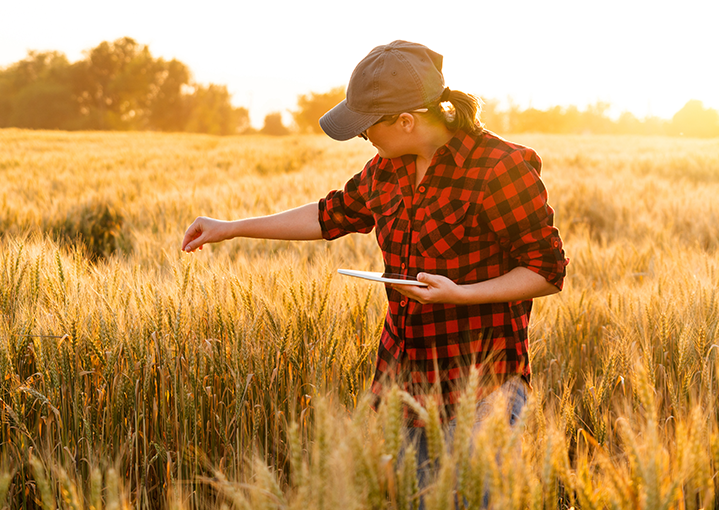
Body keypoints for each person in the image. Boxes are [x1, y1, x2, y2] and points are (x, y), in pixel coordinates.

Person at [180, 40, 567, 492]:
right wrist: (232, 227)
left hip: (483, 388)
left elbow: (546, 272)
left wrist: (460, 294)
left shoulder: (501, 167)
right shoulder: (387, 169)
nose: (363, 138)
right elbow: (330, 214)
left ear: (406, 121)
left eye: (367, 128)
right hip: (402, 382)